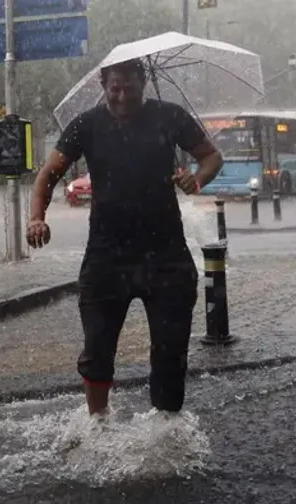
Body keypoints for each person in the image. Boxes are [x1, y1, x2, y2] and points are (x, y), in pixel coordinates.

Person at [27, 58, 223, 418]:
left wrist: (197, 179)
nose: (121, 96)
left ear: (142, 82)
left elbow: (211, 156)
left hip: (166, 255)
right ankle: (97, 425)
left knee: (170, 349)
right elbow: (48, 175)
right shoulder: (86, 125)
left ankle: (166, 428)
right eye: (114, 88)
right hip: (106, 255)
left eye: (129, 87)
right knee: (97, 350)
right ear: (104, 86)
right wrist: (36, 218)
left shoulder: (170, 117)